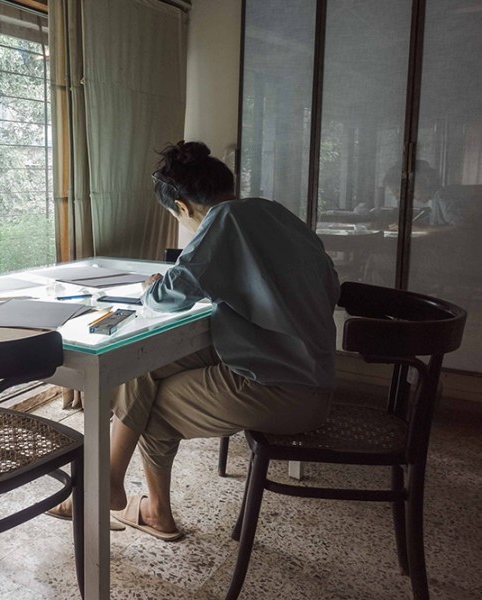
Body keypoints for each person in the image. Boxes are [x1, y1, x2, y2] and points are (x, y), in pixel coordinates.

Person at [50, 141, 340, 540]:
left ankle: (148, 508)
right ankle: (112, 482)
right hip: (305, 367)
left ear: (182, 207)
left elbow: (171, 295)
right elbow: (322, 287)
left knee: (151, 406)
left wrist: (154, 286)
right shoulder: (275, 213)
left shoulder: (223, 220)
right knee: (143, 363)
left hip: (284, 389)